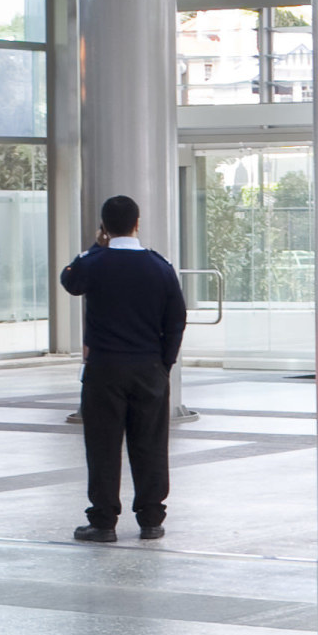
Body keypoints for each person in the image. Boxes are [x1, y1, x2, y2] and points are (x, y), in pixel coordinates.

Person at [60, 192, 186, 541]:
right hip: (149, 368)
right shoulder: (160, 267)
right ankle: (151, 519)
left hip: (104, 369)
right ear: (137, 224)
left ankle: (103, 521)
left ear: (104, 227)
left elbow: (69, 280)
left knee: (102, 446)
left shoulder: (93, 262)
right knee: (151, 444)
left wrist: (96, 247)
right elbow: (176, 319)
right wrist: (164, 363)